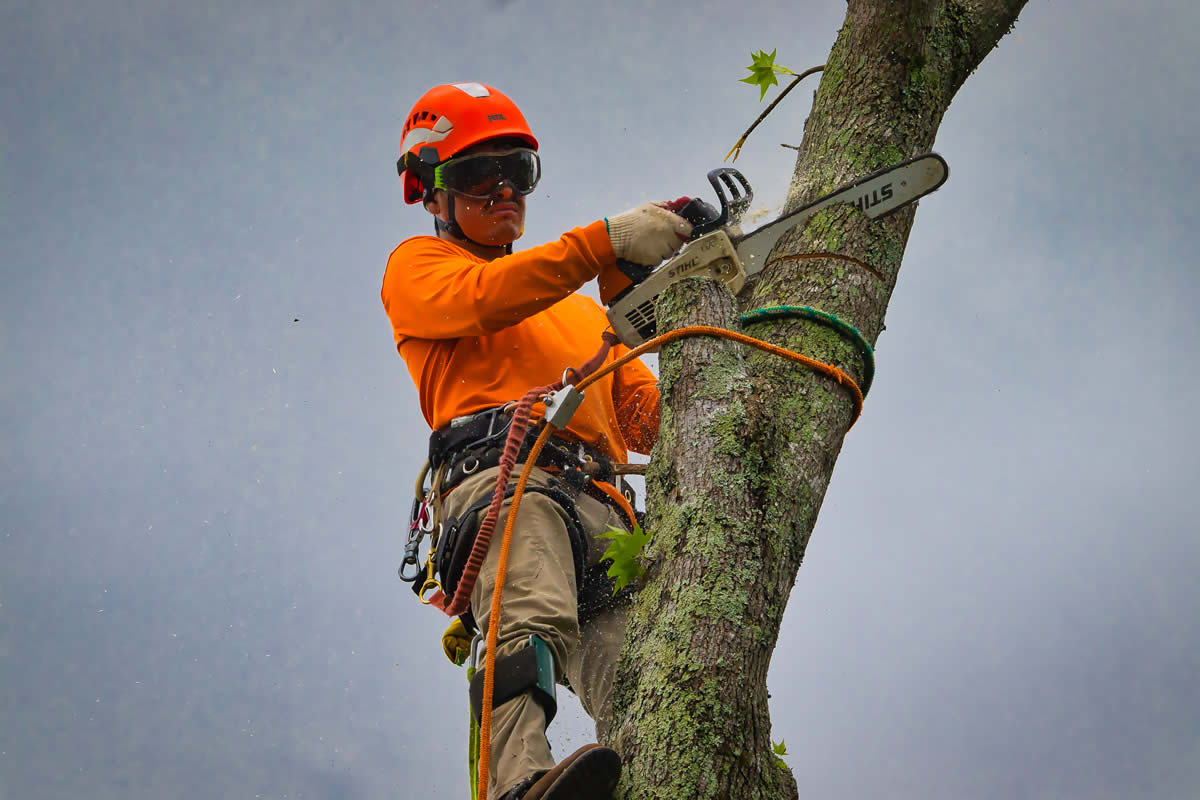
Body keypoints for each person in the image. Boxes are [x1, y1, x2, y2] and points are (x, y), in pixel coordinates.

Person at [380, 82, 693, 800]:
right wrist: (603, 242)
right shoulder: (419, 271)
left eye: (516, 173)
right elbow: (489, 300)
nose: (501, 192)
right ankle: (519, 783)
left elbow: (651, 418)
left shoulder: (585, 317)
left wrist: (658, 300)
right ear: (432, 194)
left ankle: (661, 783)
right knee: (530, 615)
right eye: (474, 176)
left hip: (605, 510)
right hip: (511, 485)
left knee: (642, 669)